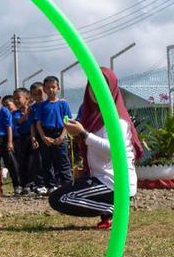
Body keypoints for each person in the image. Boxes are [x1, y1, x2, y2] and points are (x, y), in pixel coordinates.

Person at [50, 68, 141, 229]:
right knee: (66, 192)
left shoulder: (117, 121)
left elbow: (113, 152)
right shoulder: (95, 116)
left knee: (60, 198)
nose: (96, 90)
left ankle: (117, 209)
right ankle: (110, 213)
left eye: (102, 85)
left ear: (111, 88)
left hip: (115, 184)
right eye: (92, 85)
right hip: (103, 179)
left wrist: (83, 133)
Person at [35, 76, 73, 189]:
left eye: (53, 87)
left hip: (59, 134)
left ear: (58, 88)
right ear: (44, 90)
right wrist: (43, 137)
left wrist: (62, 137)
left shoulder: (63, 104)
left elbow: (67, 121)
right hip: (46, 135)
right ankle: (50, 186)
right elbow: (38, 123)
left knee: (63, 162)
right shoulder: (42, 106)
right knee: (47, 163)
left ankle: (67, 186)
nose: (51, 90)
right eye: (48, 87)